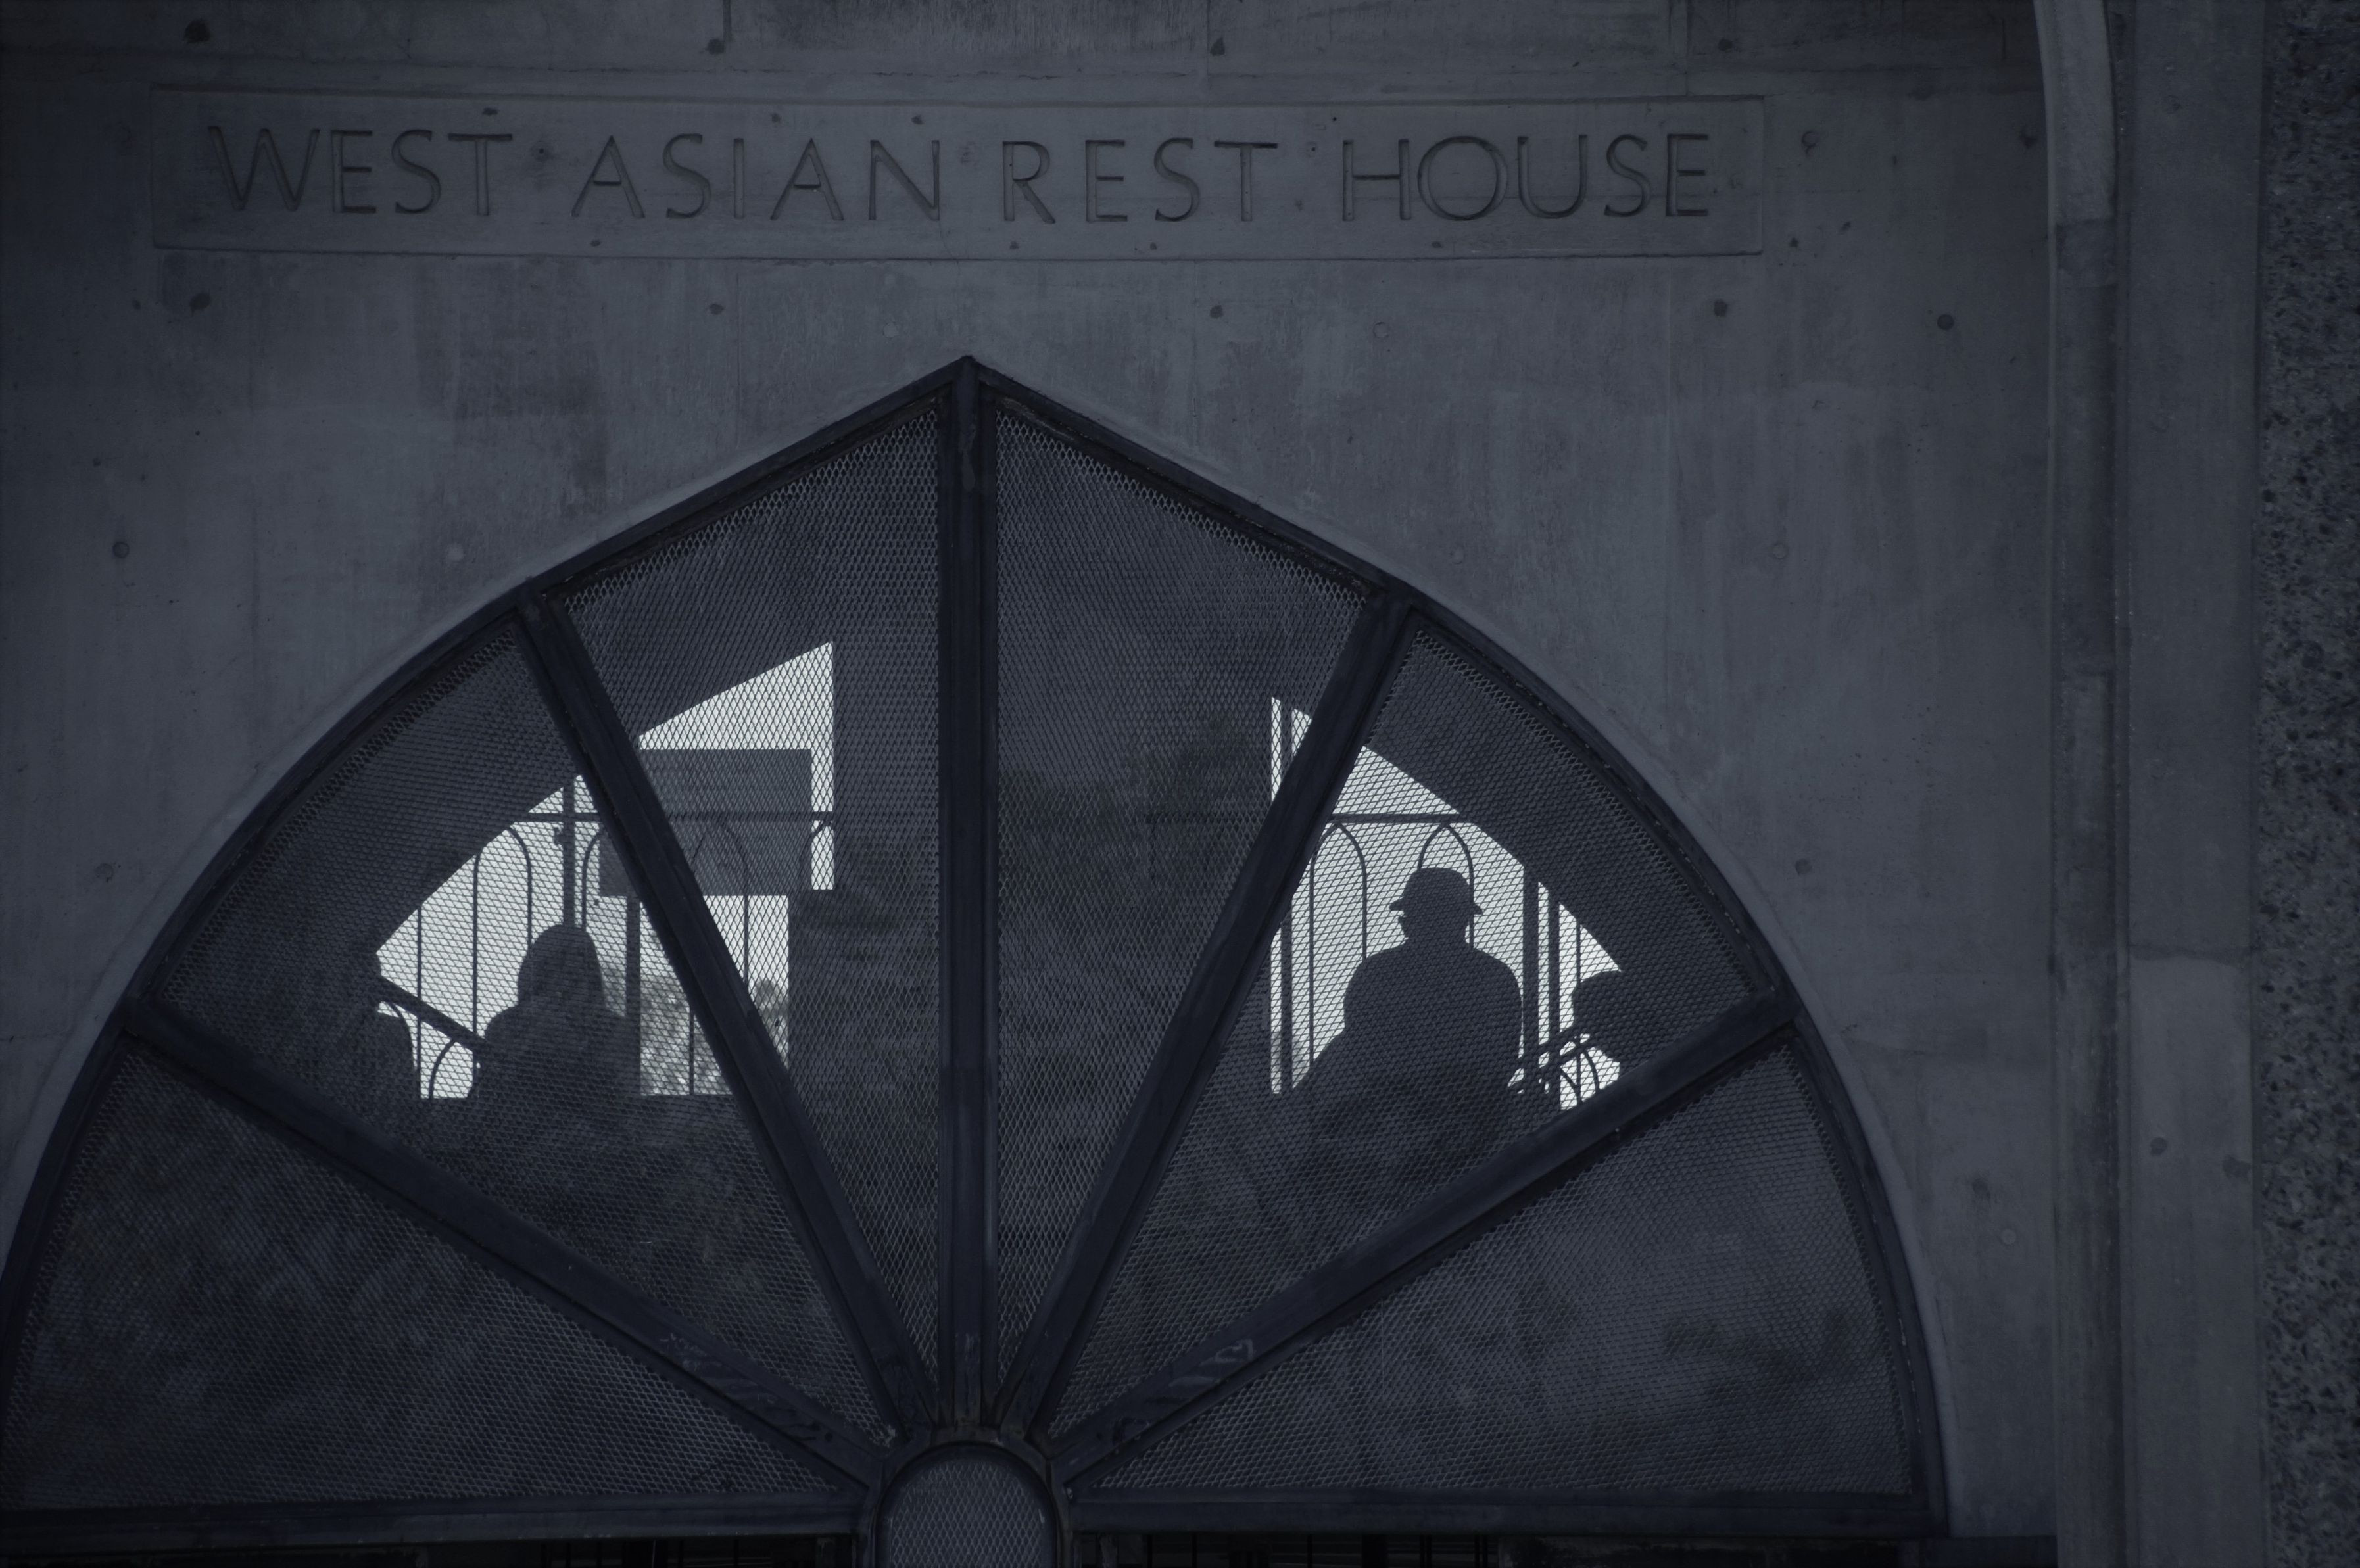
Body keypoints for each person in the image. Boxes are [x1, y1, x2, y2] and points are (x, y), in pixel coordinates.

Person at [1309, 866, 1524, 1204]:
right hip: (1393, 1117)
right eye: (1421, 915)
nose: (1421, 923)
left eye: (1434, 915)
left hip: (1463, 1119)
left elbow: (1501, 1061)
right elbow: (1362, 1053)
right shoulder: (1492, 976)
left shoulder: (1377, 975)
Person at [477, 924, 635, 1124]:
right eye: (559, 965)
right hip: (519, 1131)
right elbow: (492, 1094)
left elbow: (617, 1102)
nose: (567, 980)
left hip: (588, 1134)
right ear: (540, 972)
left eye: (579, 968)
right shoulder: (506, 1026)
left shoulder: (614, 1030)